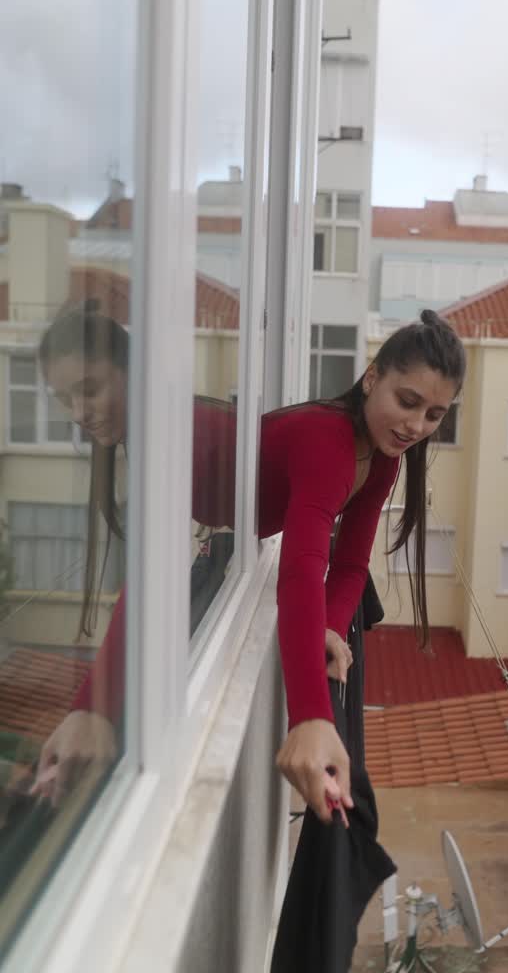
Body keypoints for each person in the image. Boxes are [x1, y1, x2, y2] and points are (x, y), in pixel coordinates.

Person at [33, 302, 466, 821]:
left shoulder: (377, 458)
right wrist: (93, 705)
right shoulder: (320, 440)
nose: (416, 424)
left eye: (434, 414)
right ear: (371, 378)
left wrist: (329, 628)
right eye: (408, 401)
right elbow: (179, 572)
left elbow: (347, 565)